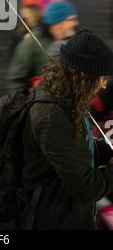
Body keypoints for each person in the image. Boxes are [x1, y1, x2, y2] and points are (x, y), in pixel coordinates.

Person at [20, 29, 113, 229]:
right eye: (102, 78)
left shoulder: (67, 102)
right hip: (50, 219)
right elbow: (85, 188)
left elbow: (73, 150)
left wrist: (104, 152)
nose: (104, 85)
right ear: (86, 78)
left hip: (63, 215)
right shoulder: (52, 115)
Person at [7, 0, 79, 95]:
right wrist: (24, 106)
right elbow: (16, 81)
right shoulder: (31, 44)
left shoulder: (75, 41)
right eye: (71, 19)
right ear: (58, 23)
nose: (75, 23)